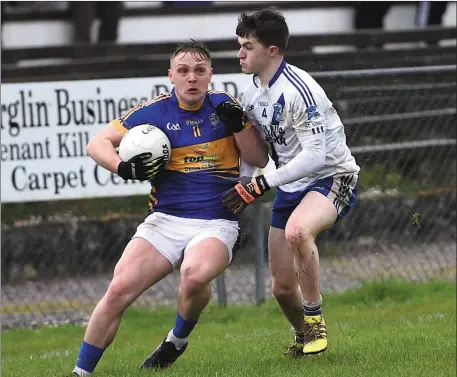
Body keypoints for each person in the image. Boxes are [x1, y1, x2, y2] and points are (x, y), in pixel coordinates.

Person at [71, 39, 269, 376]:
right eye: (183, 71)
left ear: (210, 75)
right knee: (118, 289)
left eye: (199, 70)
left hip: (217, 222)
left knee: (193, 276)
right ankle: (81, 373)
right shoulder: (153, 112)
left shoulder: (225, 107)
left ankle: (176, 340)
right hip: (164, 220)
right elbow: (97, 143)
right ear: (171, 76)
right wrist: (122, 167)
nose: (191, 77)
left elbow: (259, 159)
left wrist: (238, 125)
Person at [221, 7, 360, 357]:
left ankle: (315, 323)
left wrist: (259, 185)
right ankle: (306, 339)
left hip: (331, 176)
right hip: (290, 186)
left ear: (272, 51)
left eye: (247, 46)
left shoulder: (301, 89)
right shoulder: (253, 93)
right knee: (282, 289)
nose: (240, 53)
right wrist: (246, 181)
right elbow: (260, 156)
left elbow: (314, 157)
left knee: (299, 231)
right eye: (239, 45)